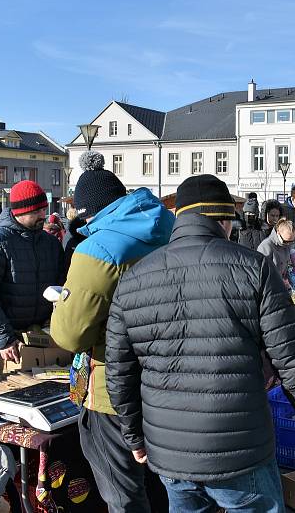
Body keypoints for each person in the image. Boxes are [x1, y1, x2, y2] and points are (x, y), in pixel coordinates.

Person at [105, 174, 295, 512]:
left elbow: (120, 372)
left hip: (171, 449)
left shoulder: (135, 278)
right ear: (225, 221)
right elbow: (293, 358)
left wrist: (134, 435)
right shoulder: (253, 268)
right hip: (239, 448)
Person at [51, 151, 174, 513]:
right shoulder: (170, 228)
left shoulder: (99, 247)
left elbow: (71, 334)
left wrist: (61, 303)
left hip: (111, 391)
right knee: (163, 486)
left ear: (87, 213)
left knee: (123, 493)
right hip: (169, 381)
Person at [0, 180, 64, 377]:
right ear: (20, 211)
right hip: (6, 343)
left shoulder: (50, 243)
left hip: (40, 337)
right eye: (37, 211)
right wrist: (3, 338)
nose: (43, 215)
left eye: (44, 209)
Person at [258, 218, 295, 286]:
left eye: (291, 241)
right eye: (285, 241)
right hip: (269, 286)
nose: (288, 244)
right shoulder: (266, 245)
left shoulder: (287, 245)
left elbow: (286, 267)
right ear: (278, 233)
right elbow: (261, 271)